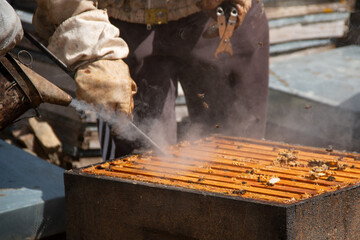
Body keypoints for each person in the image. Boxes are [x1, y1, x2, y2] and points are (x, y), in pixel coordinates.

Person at [33, 0, 269, 160]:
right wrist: (93, 49)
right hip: (122, 23)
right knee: (142, 163)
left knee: (240, 150)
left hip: (219, 16)